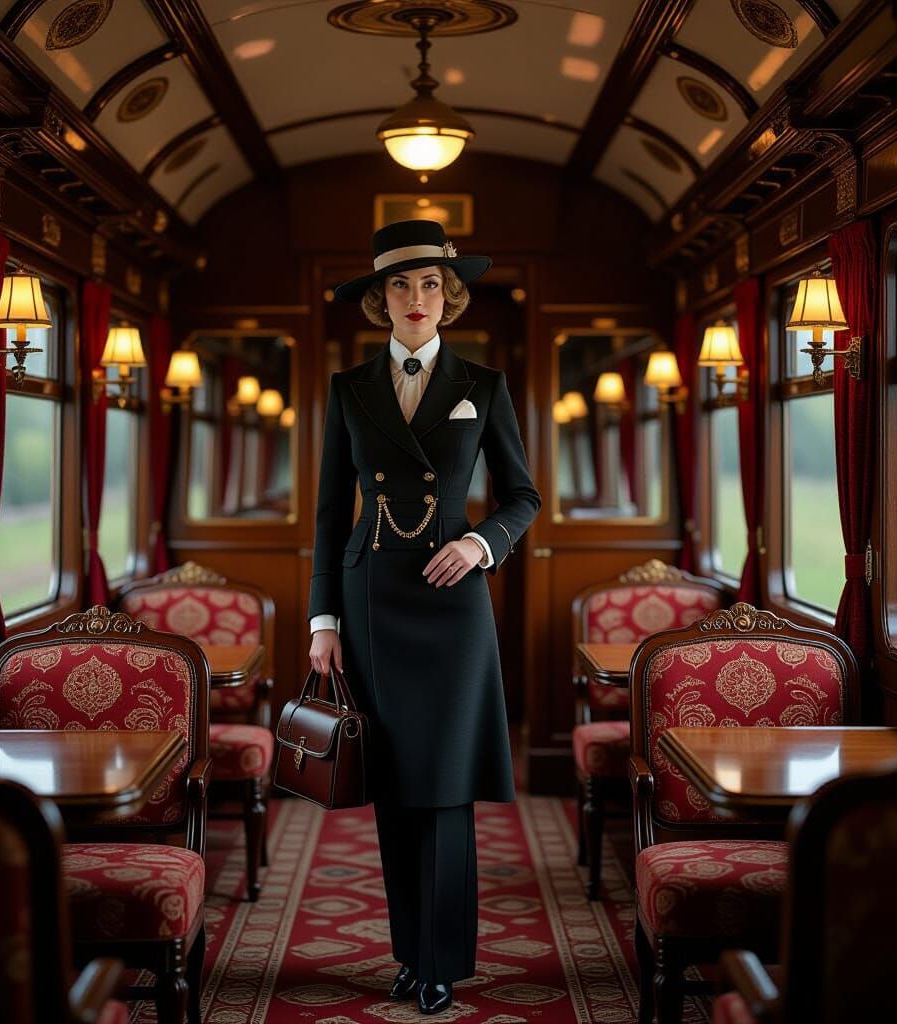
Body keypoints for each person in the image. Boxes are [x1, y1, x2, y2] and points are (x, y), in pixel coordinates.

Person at [307, 219, 541, 1015]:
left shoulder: (485, 384)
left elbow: (523, 497)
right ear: (380, 301)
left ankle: (442, 960)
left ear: (450, 297)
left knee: (444, 789)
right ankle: (409, 954)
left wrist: (481, 544)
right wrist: (322, 621)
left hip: (453, 605)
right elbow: (329, 511)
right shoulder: (349, 389)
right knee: (398, 789)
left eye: (430, 284)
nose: (416, 299)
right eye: (401, 286)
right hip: (373, 603)